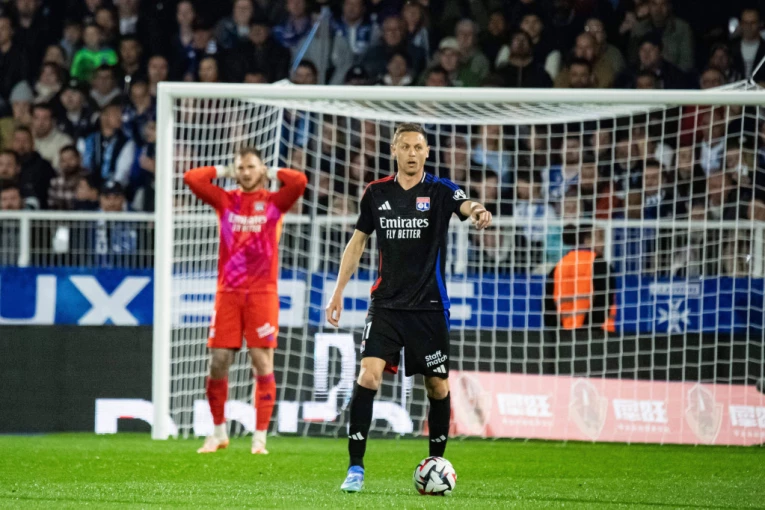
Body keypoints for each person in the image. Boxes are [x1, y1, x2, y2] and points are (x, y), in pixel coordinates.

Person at [325, 123, 492, 493]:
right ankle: (355, 468)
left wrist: (478, 209)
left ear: (427, 152)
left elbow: (465, 204)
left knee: (437, 385)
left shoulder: (440, 189)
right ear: (394, 151)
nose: (412, 153)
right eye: (405, 146)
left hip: (429, 307)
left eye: (418, 147)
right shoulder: (376, 192)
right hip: (386, 305)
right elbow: (357, 243)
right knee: (368, 375)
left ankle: (437, 463)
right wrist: (338, 291)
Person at [183, 147, 307, 455]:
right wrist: (223, 171)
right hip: (228, 293)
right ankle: (218, 433)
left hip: (263, 293)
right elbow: (192, 178)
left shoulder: (274, 202)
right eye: (240, 168)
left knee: (261, 361)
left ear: (261, 169)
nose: (246, 172)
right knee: (218, 362)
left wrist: (271, 171)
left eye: (251, 167)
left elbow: (299, 181)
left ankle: (259, 438)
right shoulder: (226, 200)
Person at [545, 226, 615, 334]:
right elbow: (604, 301)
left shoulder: (558, 266)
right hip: (597, 335)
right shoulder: (601, 266)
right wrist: (587, 330)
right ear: (586, 240)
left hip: (563, 334)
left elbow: (548, 305)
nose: (603, 244)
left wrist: (558, 331)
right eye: (600, 238)